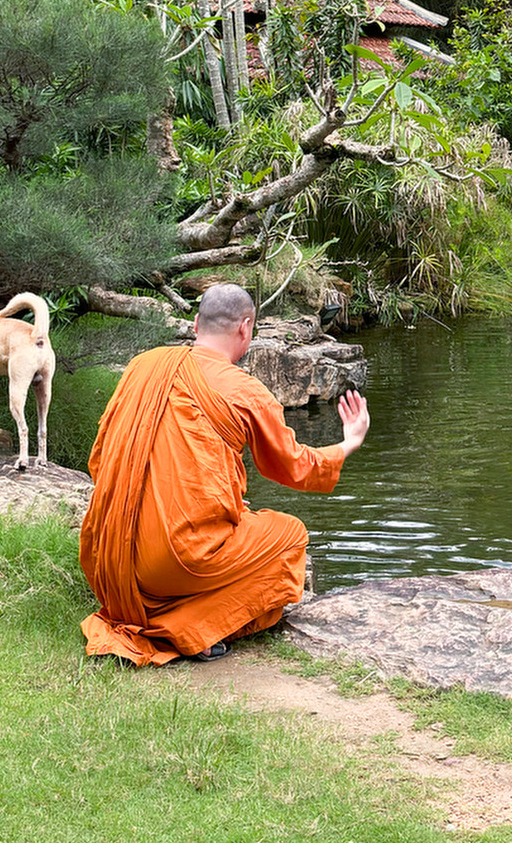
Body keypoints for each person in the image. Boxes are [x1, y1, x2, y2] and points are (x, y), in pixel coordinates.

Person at [78, 282, 369, 666]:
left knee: (234, 516)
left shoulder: (142, 367)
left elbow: (102, 458)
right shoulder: (245, 391)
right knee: (289, 537)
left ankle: (164, 612)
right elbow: (294, 466)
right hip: (175, 562)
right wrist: (348, 442)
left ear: (196, 323)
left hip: (108, 555)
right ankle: (188, 630)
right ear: (245, 328)